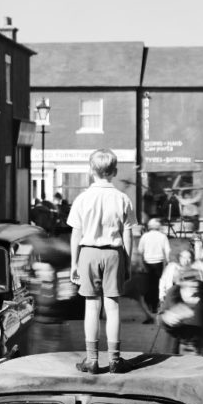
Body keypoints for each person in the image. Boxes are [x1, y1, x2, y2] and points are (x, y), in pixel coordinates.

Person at [67, 148, 137, 374]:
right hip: (113, 253)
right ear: (114, 172)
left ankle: (92, 359)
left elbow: (76, 234)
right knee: (113, 307)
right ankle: (115, 360)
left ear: (91, 171)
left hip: (88, 252)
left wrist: (74, 262)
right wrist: (127, 260)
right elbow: (128, 233)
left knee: (91, 306)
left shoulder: (82, 198)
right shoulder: (122, 198)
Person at [160, 271, 203, 357]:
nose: (193, 287)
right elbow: (160, 319)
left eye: (195, 283)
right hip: (180, 347)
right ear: (181, 284)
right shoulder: (172, 294)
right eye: (189, 284)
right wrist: (166, 318)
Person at [137, 218, 171, 323]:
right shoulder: (163, 236)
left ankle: (150, 306)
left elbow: (140, 251)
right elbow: (167, 251)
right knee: (157, 285)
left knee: (148, 286)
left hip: (147, 263)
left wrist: (141, 264)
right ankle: (156, 306)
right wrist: (168, 263)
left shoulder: (145, 236)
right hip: (159, 263)